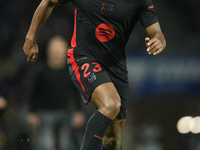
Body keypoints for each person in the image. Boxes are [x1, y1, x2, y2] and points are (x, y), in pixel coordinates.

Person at [23, 0, 166, 149]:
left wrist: (159, 40)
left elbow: (156, 32)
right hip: (84, 57)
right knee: (111, 104)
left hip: (116, 67)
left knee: (113, 138)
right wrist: (30, 38)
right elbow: (48, 2)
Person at [26, 36, 85, 150]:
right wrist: (32, 112)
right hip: (45, 114)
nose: (58, 52)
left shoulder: (70, 71)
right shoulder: (41, 72)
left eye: (60, 49)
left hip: (64, 113)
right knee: (45, 144)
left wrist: (78, 111)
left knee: (65, 144)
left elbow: (76, 93)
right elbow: (33, 93)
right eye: (55, 49)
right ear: (49, 51)